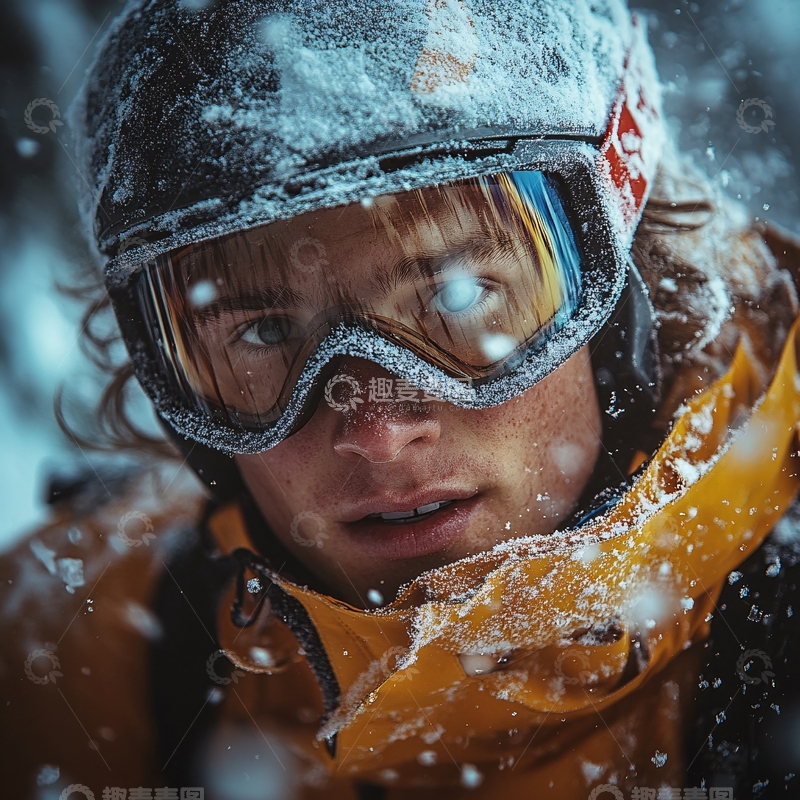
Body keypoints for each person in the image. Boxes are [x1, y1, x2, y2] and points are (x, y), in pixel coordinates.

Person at [3, 0, 800, 798]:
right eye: (263, 334)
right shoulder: (77, 652)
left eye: (458, 296)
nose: (378, 433)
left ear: (627, 294)